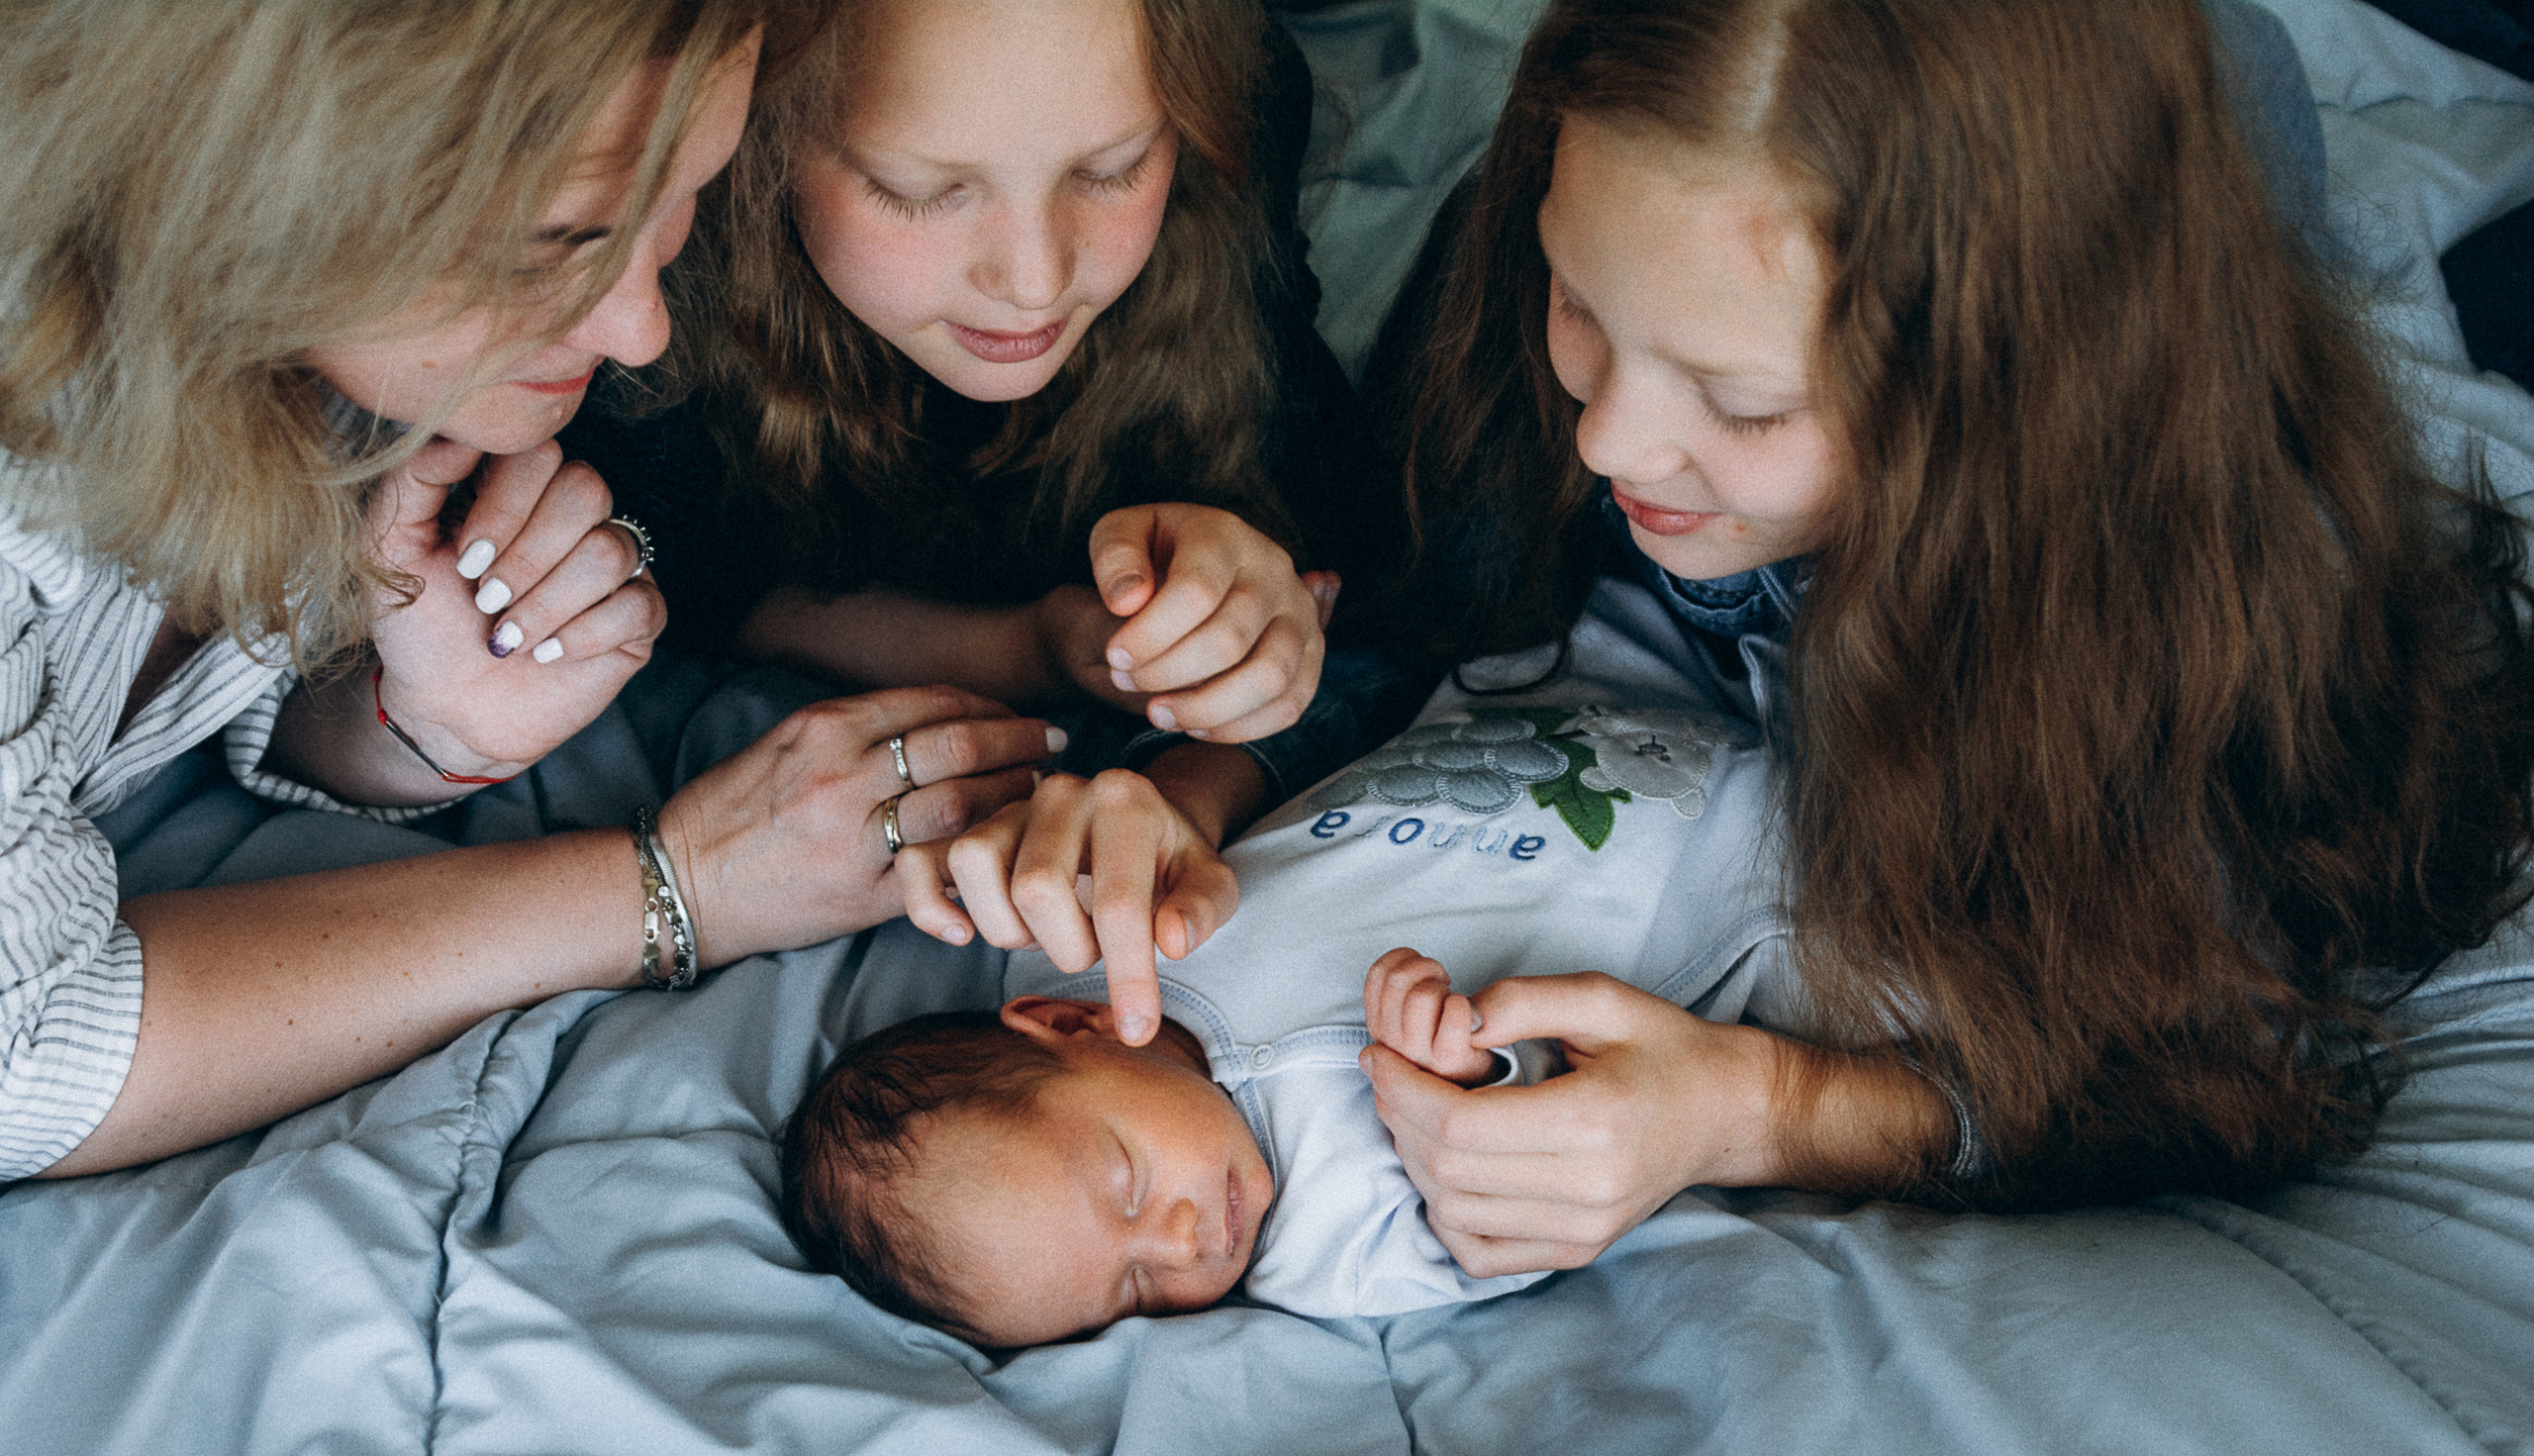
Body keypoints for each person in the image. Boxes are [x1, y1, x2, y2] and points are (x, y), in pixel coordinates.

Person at [1348, 0, 2534, 1278]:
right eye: (1574, 297)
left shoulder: (2192, 605)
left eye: (1743, 401)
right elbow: (1402, 592)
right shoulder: (1610, 240)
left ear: (1999, 407)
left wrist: (1748, 1106)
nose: (1607, 443)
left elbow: (2224, 1061)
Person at [0, 0, 1060, 1183]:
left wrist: (408, 726)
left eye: (684, 200)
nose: (642, 328)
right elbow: (23, 1059)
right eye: (555, 244)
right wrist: (677, 888)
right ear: (237, 166)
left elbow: (97, 714)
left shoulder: (319, 333)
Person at [562, 0, 1433, 1037]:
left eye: (1111, 167)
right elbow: (701, 586)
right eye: (917, 190)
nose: (1036, 277)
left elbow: (1357, 554)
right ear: (748, 143)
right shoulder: (653, 291)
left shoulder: (1232, 141)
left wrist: (1241, 586)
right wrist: (1028, 647)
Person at [787, 588, 1787, 1343]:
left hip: (1577, 689)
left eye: (1128, 1183)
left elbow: (1110, 821)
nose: (1181, 1244)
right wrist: (1473, 1074)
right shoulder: (1327, 1250)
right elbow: (1519, 1207)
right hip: (1752, 890)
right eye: (1132, 1291)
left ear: (1064, 1024)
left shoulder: (1084, 942)